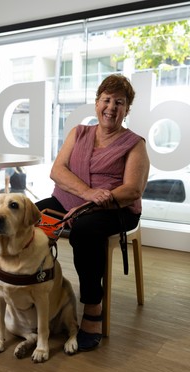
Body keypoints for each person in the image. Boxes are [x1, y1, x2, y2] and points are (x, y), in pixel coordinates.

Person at [36, 74, 150, 351]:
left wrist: (92, 203)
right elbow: (57, 171)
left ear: (127, 110)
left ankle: (92, 308)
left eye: (119, 103)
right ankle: (35, 290)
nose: (111, 107)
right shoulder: (79, 132)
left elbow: (133, 190)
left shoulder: (135, 144)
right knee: (29, 217)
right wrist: (87, 194)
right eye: (106, 100)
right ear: (96, 102)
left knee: (85, 231)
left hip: (115, 208)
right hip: (70, 200)